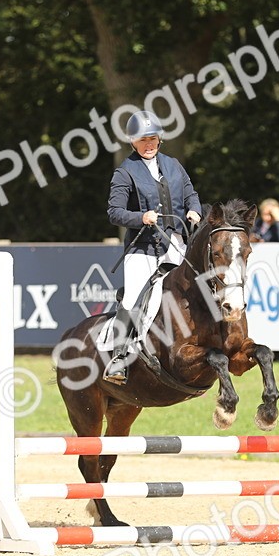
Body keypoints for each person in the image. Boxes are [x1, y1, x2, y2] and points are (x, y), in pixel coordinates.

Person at [104, 110, 202, 384]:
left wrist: (194, 210)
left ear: (160, 139)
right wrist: (140, 217)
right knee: (134, 296)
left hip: (177, 244)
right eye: (142, 140)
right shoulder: (125, 171)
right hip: (143, 248)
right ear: (132, 142)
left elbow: (191, 194)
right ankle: (119, 358)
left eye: (153, 139)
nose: (148, 145)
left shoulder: (173, 165)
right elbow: (114, 212)